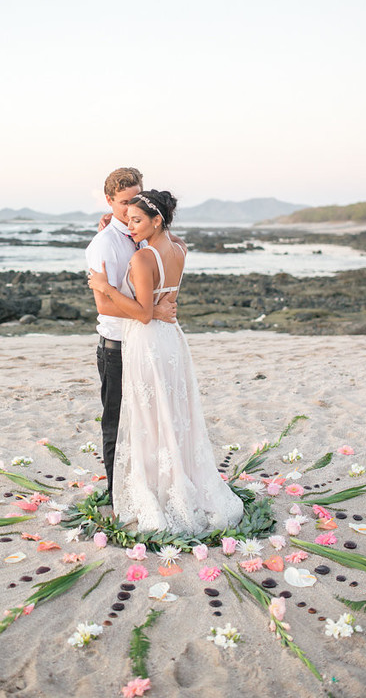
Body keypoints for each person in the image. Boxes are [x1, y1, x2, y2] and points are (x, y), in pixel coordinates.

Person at [88, 189, 243, 535]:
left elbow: (143, 313)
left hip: (147, 343)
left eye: (137, 220)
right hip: (171, 340)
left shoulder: (143, 259)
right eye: (128, 220)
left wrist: (105, 287)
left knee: (149, 418)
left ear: (156, 220)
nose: (130, 227)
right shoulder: (179, 249)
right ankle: (176, 481)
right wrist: (115, 225)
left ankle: (159, 490)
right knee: (171, 416)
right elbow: (169, 249)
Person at [85, 168, 177, 506]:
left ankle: (146, 489)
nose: (128, 209)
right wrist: (150, 312)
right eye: (123, 203)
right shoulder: (104, 244)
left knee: (148, 423)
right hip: (117, 347)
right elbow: (103, 305)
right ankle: (116, 496)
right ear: (109, 201)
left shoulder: (143, 236)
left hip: (146, 345)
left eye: (134, 201)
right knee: (116, 422)